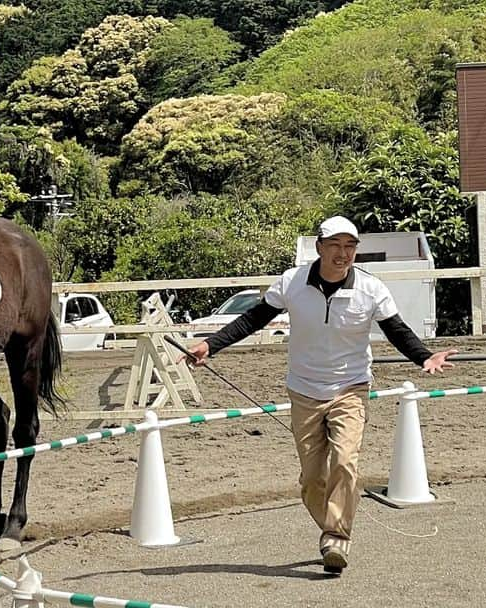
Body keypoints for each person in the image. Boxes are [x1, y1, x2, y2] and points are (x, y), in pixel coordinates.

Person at [186, 216, 457, 575]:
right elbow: (253, 319)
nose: (343, 254)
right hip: (304, 390)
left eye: (350, 246)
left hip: (351, 388)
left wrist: (424, 356)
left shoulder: (372, 288)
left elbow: (396, 330)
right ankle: (331, 527)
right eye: (335, 246)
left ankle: (336, 537)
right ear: (319, 248)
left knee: (345, 461)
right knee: (312, 479)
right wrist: (210, 345)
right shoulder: (292, 282)